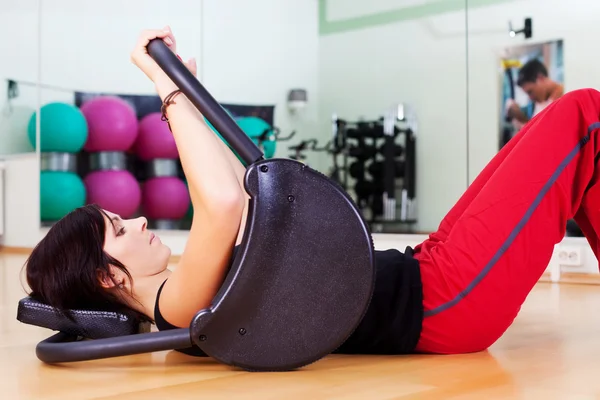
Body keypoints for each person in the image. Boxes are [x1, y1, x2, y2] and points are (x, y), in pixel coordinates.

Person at [22, 27, 600, 357]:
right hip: (444, 301)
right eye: (121, 230)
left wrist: (186, 100)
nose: (140, 222)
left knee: (562, 152)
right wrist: (166, 90)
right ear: (107, 276)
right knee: (583, 117)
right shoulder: (178, 309)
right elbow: (222, 205)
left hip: (427, 271)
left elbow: (240, 191)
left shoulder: (193, 298)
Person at [506, 58, 564, 128]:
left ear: (540, 78)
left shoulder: (564, 95)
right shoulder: (540, 103)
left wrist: (523, 120)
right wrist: (520, 118)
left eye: (530, 92)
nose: (530, 97)